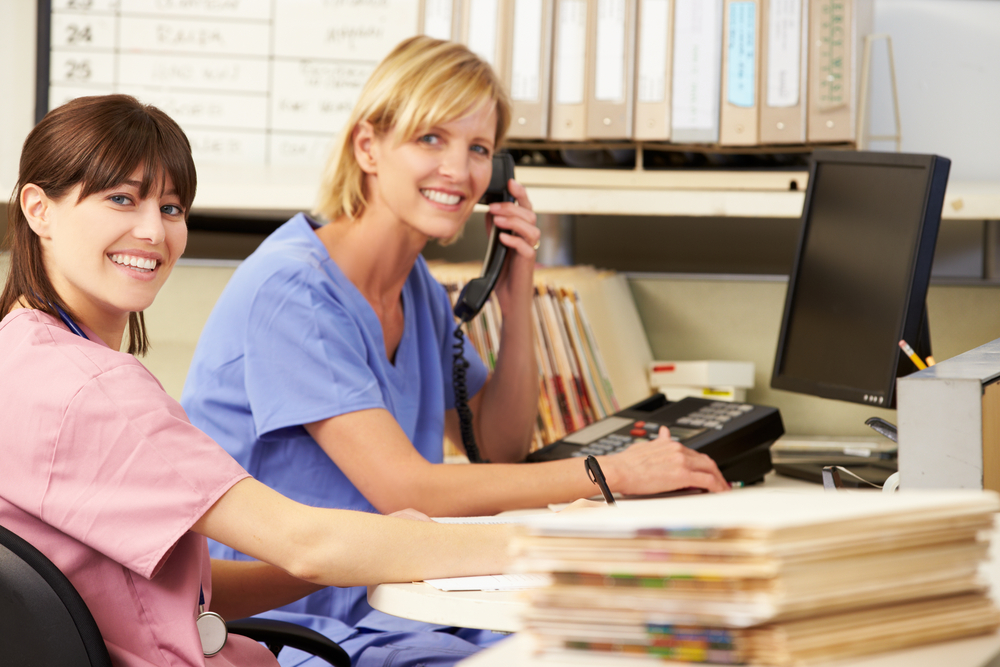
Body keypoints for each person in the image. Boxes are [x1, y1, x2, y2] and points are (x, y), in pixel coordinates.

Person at [181, 36, 729, 665]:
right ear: (368, 148)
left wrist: (518, 292)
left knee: (634, 638)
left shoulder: (418, 291)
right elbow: (403, 488)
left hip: (400, 598)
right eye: (431, 139)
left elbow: (498, 446)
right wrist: (613, 475)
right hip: (290, 622)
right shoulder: (292, 290)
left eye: (479, 149)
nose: (458, 170)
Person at [0, 93, 514, 667]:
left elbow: (181, 588)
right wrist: (552, 549)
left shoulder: (21, 354)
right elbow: (307, 543)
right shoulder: (94, 389)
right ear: (38, 209)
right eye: (121, 199)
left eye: (171, 209)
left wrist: (367, 551)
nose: (153, 231)